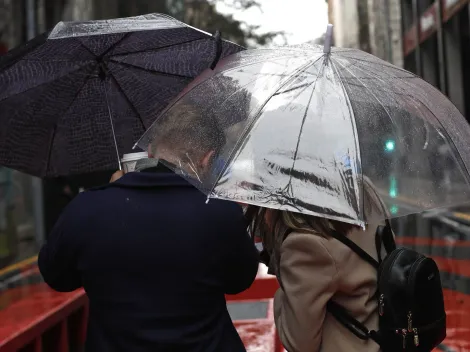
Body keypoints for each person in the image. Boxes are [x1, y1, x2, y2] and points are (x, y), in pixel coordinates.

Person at [38, 137, 259, 350]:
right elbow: (239, 281)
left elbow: (57, 277)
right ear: (207, 159)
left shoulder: (86, 209)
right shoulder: (220, 211)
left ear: (151, 151)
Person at [245, 179, 387, 352]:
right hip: (383, 338)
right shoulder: (363, 189)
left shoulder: (304, 243)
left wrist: (285, 288)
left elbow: (298, 343)